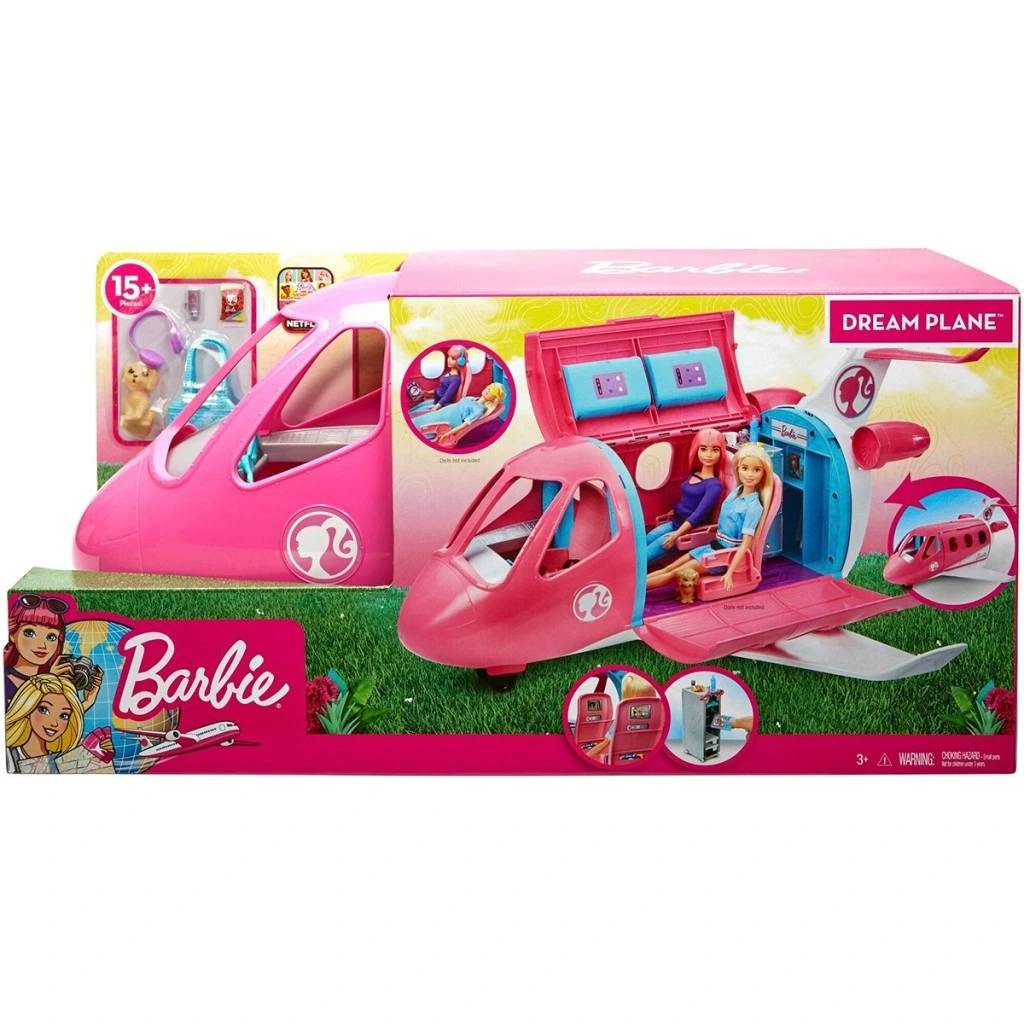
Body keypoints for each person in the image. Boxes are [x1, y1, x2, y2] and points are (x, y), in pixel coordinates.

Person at [646, 443, 774, 593]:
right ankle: (633, 586)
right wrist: (718, 527)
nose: (750, 474)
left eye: (756, 470)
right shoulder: (737, 491)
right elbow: (730, 519)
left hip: (724, 556)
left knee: (674, 574)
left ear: (763, 473)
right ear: (738, 468)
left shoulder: (753, 507)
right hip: (712, 546)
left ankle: (634, 590)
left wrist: (730, 572)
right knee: (669, 567)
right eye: (745, 468)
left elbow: (745, 545)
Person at [645, 428, 731, 565]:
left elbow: (697, 515)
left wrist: (676, 535)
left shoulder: (714, 486)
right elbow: (686, 500)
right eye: (703, 449)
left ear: (721, 453)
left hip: (686, 530)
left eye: (715, 450)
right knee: (643, 542)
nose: (709, 455)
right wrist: (674, 510)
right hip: (674, 522)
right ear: (696, 450)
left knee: (646, 555)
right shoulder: (694, 474)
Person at [5, 594, 102, 710]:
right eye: (29, 633)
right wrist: (50, 681)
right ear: (12, 634)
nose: (42, 645)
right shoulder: (6, 680)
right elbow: (19, 718)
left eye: (51, 637)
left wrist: (87, 702)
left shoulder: (55, 675)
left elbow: (56, 719)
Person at [5, 673, 112, 773]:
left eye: (64, 716)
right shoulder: (8, 756)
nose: (54, 723)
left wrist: (101, 753)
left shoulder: (64, 757)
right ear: (28, 708)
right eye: (44, 710)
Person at [413, 382, 506, 446]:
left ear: (494, 399)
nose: (488, 390)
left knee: (420, 426)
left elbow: (463, 426)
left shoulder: (478, 410)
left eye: (493, 391)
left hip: (449, 419)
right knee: (419, 420)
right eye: (489, 387)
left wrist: (446, 434)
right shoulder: (471, 398)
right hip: (444, 412)